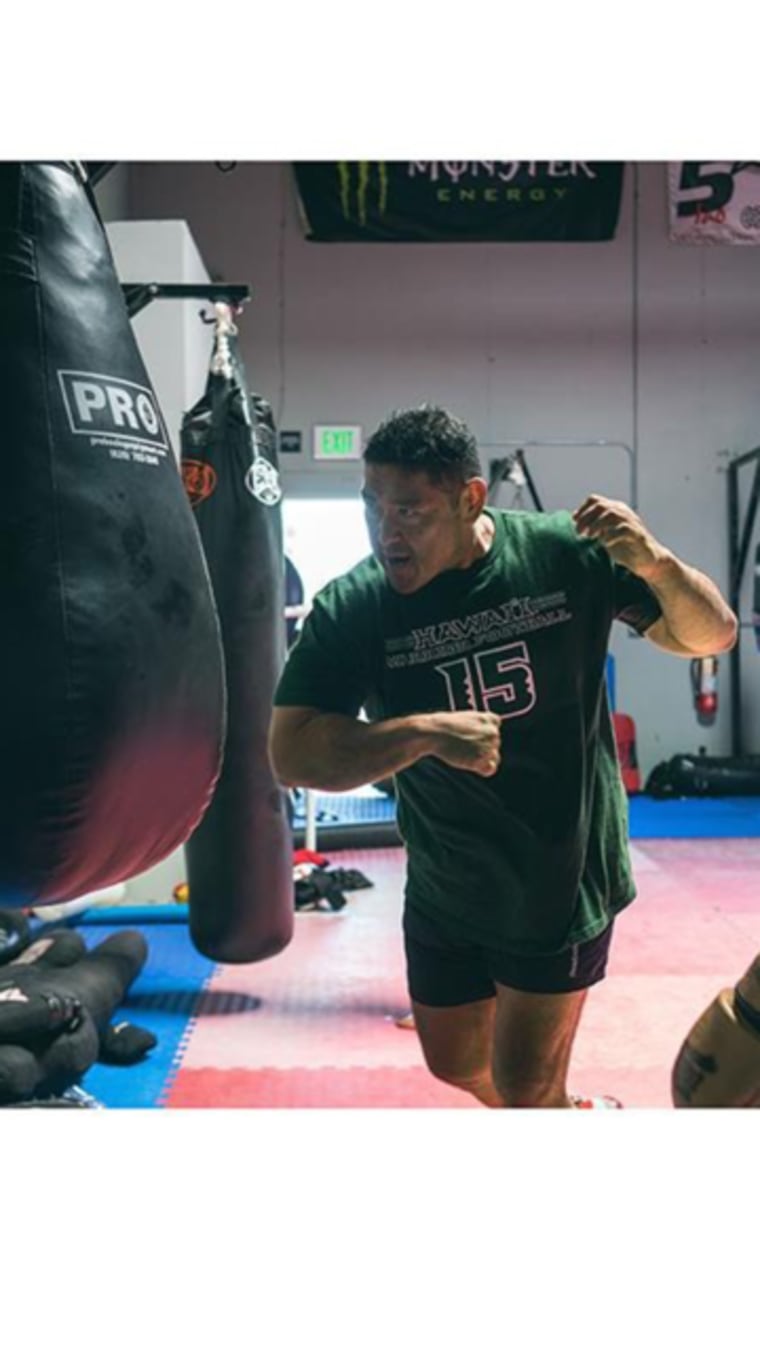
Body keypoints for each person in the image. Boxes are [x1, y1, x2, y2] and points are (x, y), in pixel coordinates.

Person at [268, 406, 737, 1109]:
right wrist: (421, 733)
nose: (386, 533)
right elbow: (291, 753)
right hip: (445, 880)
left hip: (559, 879)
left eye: (410, 511)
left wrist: (656, 564)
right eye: (373, 507)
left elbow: (711, 636)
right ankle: (565, 1115)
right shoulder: (357, 607)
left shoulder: (563, 553)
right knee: (454, 1063)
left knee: (524, 1087)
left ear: (470, 499)